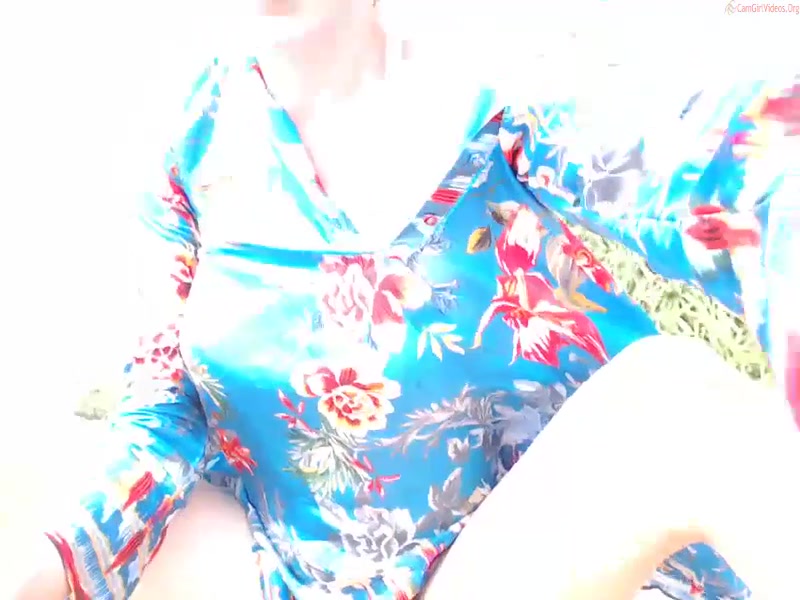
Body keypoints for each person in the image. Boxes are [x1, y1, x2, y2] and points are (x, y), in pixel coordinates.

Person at [5, 4, 800, 599]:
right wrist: (50, 566)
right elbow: (159, 415)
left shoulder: (500, 97)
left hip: (519, 569)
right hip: (297, 570)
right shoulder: (191, 149)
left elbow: (739, 173)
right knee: (52, 495)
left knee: (674, 402)